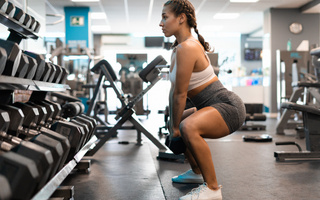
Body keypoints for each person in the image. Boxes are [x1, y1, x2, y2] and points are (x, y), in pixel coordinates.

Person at [159, 0, 246, 199]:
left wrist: (174, 130)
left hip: (228, 106)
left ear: (181, 18)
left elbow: (180, 94)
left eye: (165, 17)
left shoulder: (187, 47)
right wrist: (173, 124)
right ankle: (197, 172)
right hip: (212, 104)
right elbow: (174, 92)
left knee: (186, 127)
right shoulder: (179, 48)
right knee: (179, 122)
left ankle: (213, 189)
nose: (161, 23)